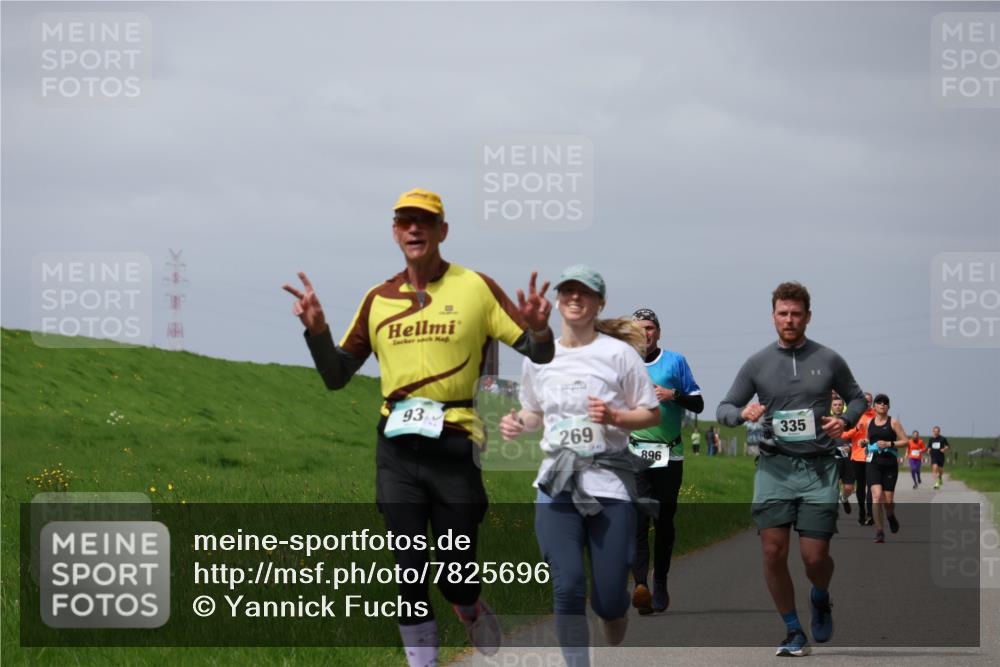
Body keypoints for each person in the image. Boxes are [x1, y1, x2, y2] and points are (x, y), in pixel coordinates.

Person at [284, 188, 556, 667]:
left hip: (456, 446)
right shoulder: (377, 300)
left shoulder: (476, 287)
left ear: (442, 231)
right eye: (405, 221)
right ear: (394, 232)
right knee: (408, 572)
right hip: (396, 451)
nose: (415, 229)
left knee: (456, 576)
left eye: (425, 221)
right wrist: (317, 332)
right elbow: (336, 375)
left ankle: (468, 605)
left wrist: (539, 329)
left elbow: (539, 353)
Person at [499, 266, 660, 667]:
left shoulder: (619, 355)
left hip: (609, 486)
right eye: (568, 291)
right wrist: (518, 422)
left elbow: (650, 412)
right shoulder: (540, 358)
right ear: (557, 301)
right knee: (568, 586)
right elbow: (534, 411)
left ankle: (613, 610)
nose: (575, 297)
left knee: (609, 597)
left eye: (584, 292)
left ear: (599, 303)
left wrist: (615, 417)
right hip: (557, 484)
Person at [717, 282, 866, 657]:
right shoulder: (757, 363)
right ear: (773, 316)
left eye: (796, 314)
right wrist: (742, 413)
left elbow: (857, 398)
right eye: (782, 313)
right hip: (774, 468)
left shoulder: (829, 359)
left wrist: (844, 420)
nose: (789, 320)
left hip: (818, 470)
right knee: (773, 551)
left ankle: (820, 594)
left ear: (808, 317)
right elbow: (724, 408)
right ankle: (793, 630)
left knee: (815, 558)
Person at [626, 308, 704, 615]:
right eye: (639, 328)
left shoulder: (675, 362)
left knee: (664, 522)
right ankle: (641, 586)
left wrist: (673, 395)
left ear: (658, 332)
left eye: (649, 328)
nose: (644, 333)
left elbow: (698, 403)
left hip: (669, 453)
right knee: (637, 522)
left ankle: (660, 581)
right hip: (635, 453)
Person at [862, 394, 909, 543]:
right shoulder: (870, 422)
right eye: (879, 402)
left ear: (888, 407)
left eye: (885, 403)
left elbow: (905, 441)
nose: (882, 404)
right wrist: (864, 442)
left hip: (889, 463)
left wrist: (889, 444)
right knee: (876, 496)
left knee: (888, 501)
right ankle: (879, 531)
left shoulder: (893, 422)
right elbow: (869, 439)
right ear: (874, 406)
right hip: (873, 463)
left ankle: (890, 515)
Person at [840, 392, 875, 526]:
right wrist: (856, 429)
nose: (867, 403)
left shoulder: (876, 415)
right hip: (858, 456)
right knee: (861, 486)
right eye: (865, 401)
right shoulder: (855, 416)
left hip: (872, 456)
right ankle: (862, 512)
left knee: (872, 486)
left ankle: (870, 514)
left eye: (869, 401)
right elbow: (844, 435)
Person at [830, 396, 855, 515]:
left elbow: (856, 439)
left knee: (849, 488)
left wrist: (850, 446)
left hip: (847, 460)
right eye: (835, 405)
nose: (837, 407)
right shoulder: (827, 422)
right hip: (832, 460)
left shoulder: (849, 422)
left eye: (840, 405)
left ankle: (844, 498)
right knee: (832, 489)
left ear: (843, 406)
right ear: (831, 407)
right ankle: (832, 513)